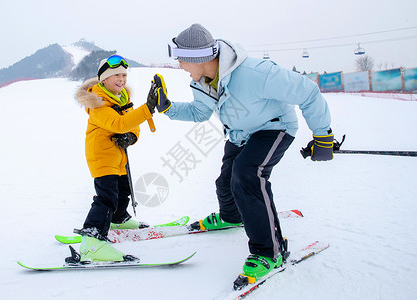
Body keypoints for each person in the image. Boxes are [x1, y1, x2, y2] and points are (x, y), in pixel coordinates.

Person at [148, 24, 333, 280]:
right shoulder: (202, 82)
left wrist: (322, 135)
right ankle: (232, 216)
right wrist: (168, 108)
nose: (179, 65)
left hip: (274, 127)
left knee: (247, 175)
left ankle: (269, 251)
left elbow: (308, 92)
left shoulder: (255, 73)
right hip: (240, 133)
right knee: (226, 182)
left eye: (181, 59)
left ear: (198, 58)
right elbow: (199, 112)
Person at [74, 55, 158, 262]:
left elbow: (130, 124)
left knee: (123, 189)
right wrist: (147, 108)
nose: (121, 79)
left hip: (118, 154)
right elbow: (119, 124)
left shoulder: (122, 99)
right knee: (106, 197)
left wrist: (132, 136)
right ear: (103, 80)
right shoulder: (98, 104)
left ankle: (118, 219)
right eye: (115, 76)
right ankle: (92, 241)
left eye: (123, 75)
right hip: (101, 155)